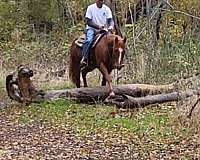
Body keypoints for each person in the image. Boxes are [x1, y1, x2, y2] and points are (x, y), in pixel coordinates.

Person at [80, 0, 114, 68]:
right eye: (99, 0)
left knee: (113, 41)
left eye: (102, 0)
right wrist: (98, 27)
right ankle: (84, 57)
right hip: (92, 29)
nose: (101, 2)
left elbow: (110, 20)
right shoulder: (90, 8)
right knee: (89, 40)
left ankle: (113, 60)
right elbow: (88, 21)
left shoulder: (106, 9)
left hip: (104, 29)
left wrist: (111, 26)